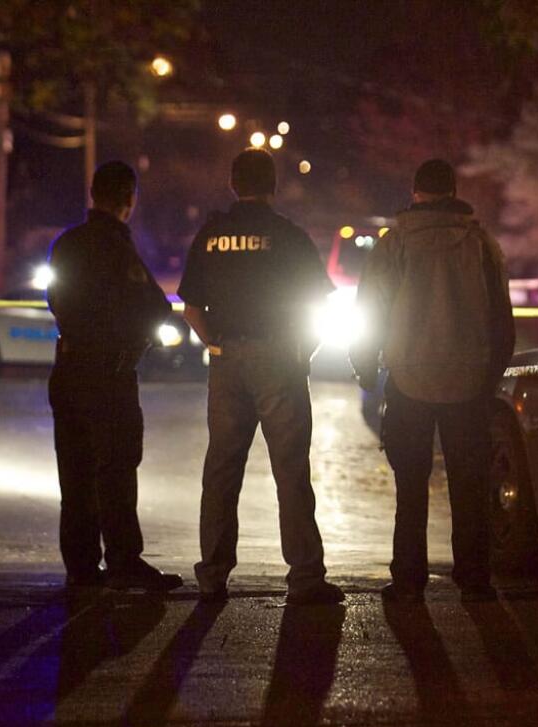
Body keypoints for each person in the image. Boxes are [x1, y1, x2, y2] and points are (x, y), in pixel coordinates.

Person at [180, 149, 344, 606]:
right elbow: (318, 303)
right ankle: (306, 576)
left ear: (233, 184)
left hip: (227, 360)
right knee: (290, 469)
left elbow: (191, 307)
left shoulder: (211, 235)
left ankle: (212, 574)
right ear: (272, 186)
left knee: (221, 469)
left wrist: (215, 344)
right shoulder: (287, 235)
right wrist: (302, 350)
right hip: (279, 360)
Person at [351, 158, 515, 603]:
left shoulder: (395, 244)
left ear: (416, 192)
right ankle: (474, 575)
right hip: (468, 379)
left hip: (408, 378)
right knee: (469, 482)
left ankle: (408, 575)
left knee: (411, 483)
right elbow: (501, 316)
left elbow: (372, 310)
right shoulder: (480, 244)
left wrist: (365, 365)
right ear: (453, 191)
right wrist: (490, 373)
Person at [47, 160, 182, 591]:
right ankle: (123, 561)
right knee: (117, 468)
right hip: (108, 373)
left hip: (68, 370)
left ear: (92, 193)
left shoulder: (67, 243)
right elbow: (154, 308)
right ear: (129, 198)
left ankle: (81, 567)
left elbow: (57, 299)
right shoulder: (117, 246)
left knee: (75, 470)